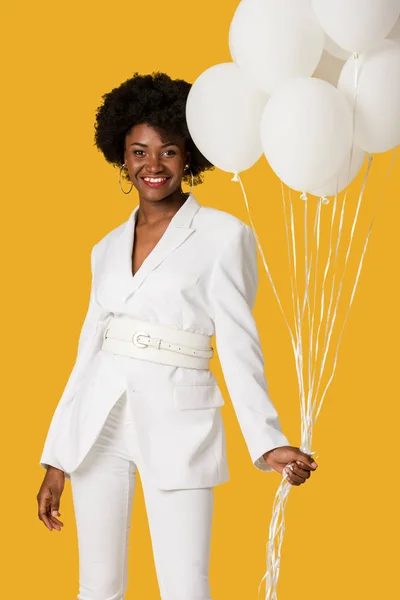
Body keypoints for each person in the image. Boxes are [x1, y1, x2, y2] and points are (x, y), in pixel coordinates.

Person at [36, 72, 318, 600]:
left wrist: (268, 440)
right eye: (139, 152)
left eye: (168, 151)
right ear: (122, 158)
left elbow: (239, 344)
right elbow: (86, 354)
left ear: (189, 157)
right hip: (99, 428)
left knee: (186, 588)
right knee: (96, 587)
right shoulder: (104, 249)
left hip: (180, 425)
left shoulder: (224, 235)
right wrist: (58, 456)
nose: (153, 165)